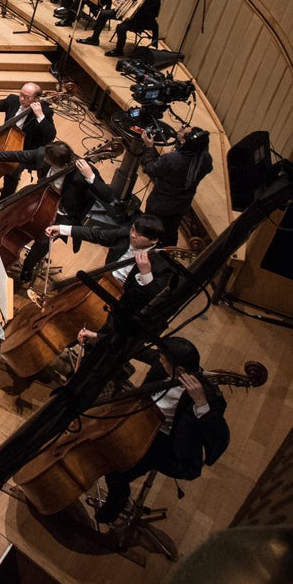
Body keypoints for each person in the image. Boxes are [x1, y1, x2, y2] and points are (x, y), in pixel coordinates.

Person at [79, 333, 231, 527]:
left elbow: (219, 438)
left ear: (180, 369)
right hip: (142, 418)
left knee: (116, 472)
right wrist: (95, 336)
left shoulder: (209, 397)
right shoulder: (166, 367)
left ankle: (111, 514)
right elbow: (139, 351)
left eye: (163, 359)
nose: (159, 361)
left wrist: (201, 403)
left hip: (166, 442)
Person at [0, 140, 113, 282]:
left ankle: (28, 267)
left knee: (44, 240)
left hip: (64, 211)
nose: (44, 159)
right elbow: (21, 155)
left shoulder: (81, 172)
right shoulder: (45, 154)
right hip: (40, 197)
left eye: (48, 159)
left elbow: (108, 197)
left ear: (58, 163)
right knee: (10, 207)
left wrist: (90, 176)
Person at [45, 213, 178, 320]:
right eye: (133, 229)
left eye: (139, 234)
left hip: (120, 302)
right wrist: (61, 229)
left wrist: (146, 272)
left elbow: (153, 297)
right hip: (102, 280)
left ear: (154, 240)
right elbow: (97, 235)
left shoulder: (161, 264)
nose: (133, 235)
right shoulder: (126, 234)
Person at [0, 83, 56, 154]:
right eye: (21, 94)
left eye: (27, 97)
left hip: (24, 149)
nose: (22, 99)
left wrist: (40, 116)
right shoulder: (13, 100)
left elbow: (51, 135)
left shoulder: (45, 111)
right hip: (4, 138)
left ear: (36, 99)